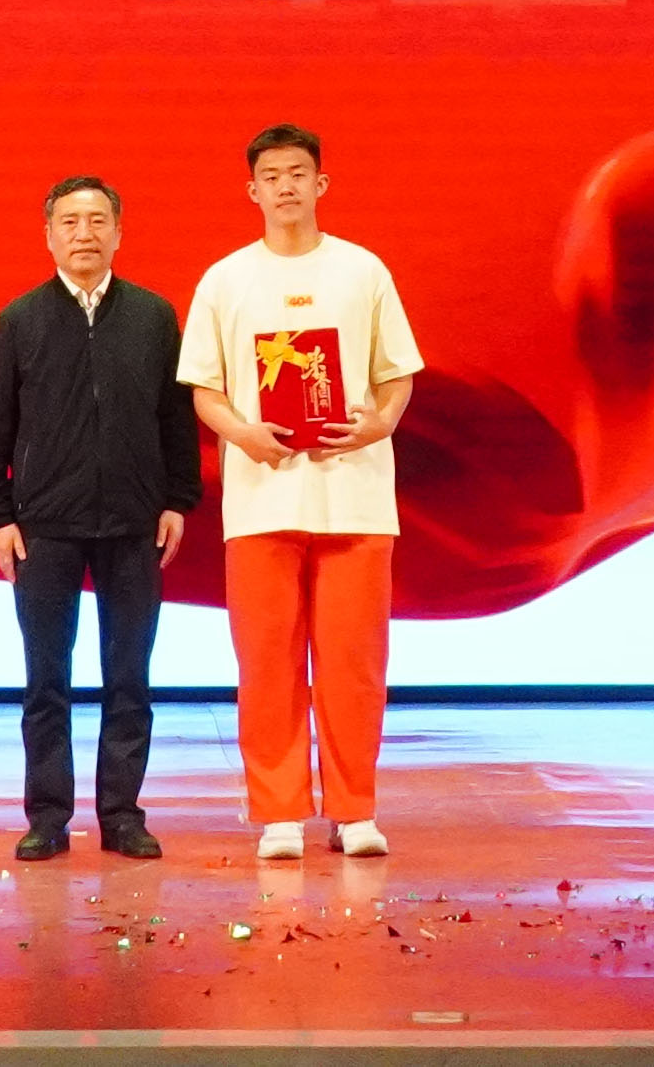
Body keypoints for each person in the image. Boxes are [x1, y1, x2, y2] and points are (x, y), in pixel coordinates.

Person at [177, 123, 423, 862]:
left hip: (356, 499)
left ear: (320, 184)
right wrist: (243, 434)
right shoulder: (225, 279)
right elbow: (205, 389)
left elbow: (396, 375)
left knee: (353, 665)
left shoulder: (362, 270)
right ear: (252, 190)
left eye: (297, 173)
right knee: (267, 663)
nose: (285, 186)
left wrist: (378, 423)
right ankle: (279, 812)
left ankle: (354, 811)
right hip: (261, 502)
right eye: (271, 176)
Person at [0, 174, 200, 862]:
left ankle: (122, 815)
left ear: (118, 233)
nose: (84, 233)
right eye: (69, 221)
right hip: (43, 525)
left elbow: (175, 418)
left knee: (129, 677)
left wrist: (177, 499)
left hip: (134, 523)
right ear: (48, 235)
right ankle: (47, 816)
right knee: (46, 680)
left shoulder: (154, 317)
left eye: (98, 220)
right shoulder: (19, 320)